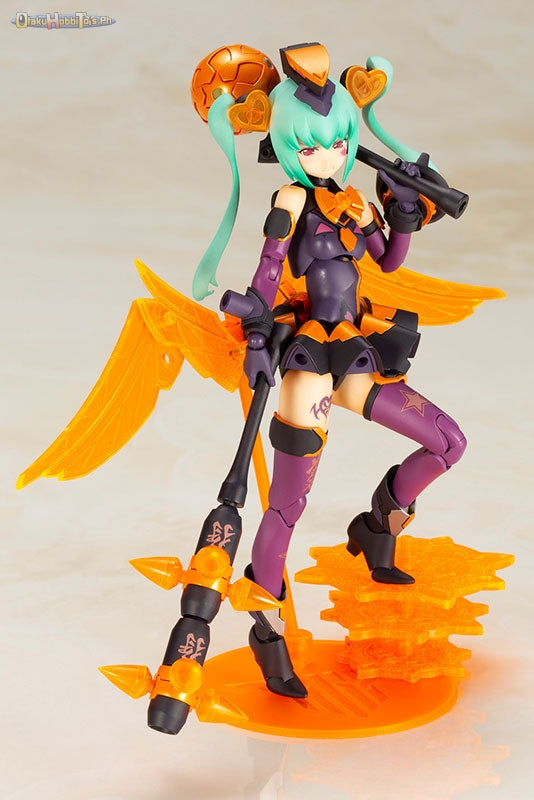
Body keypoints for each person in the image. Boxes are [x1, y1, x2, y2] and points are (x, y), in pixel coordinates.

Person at [193, 43, 466, 699]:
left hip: (356, 349)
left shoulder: (353, 200)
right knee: (287, 505)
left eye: (339, 143)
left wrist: (402, 212)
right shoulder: (289, 200)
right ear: (289, 146)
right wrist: (256, 327)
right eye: (312, 146)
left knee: (447, 442)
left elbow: (388, 260)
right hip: (308, 361)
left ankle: (378, 526)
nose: (328, 156)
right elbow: (267, 274)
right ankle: (267, 632)